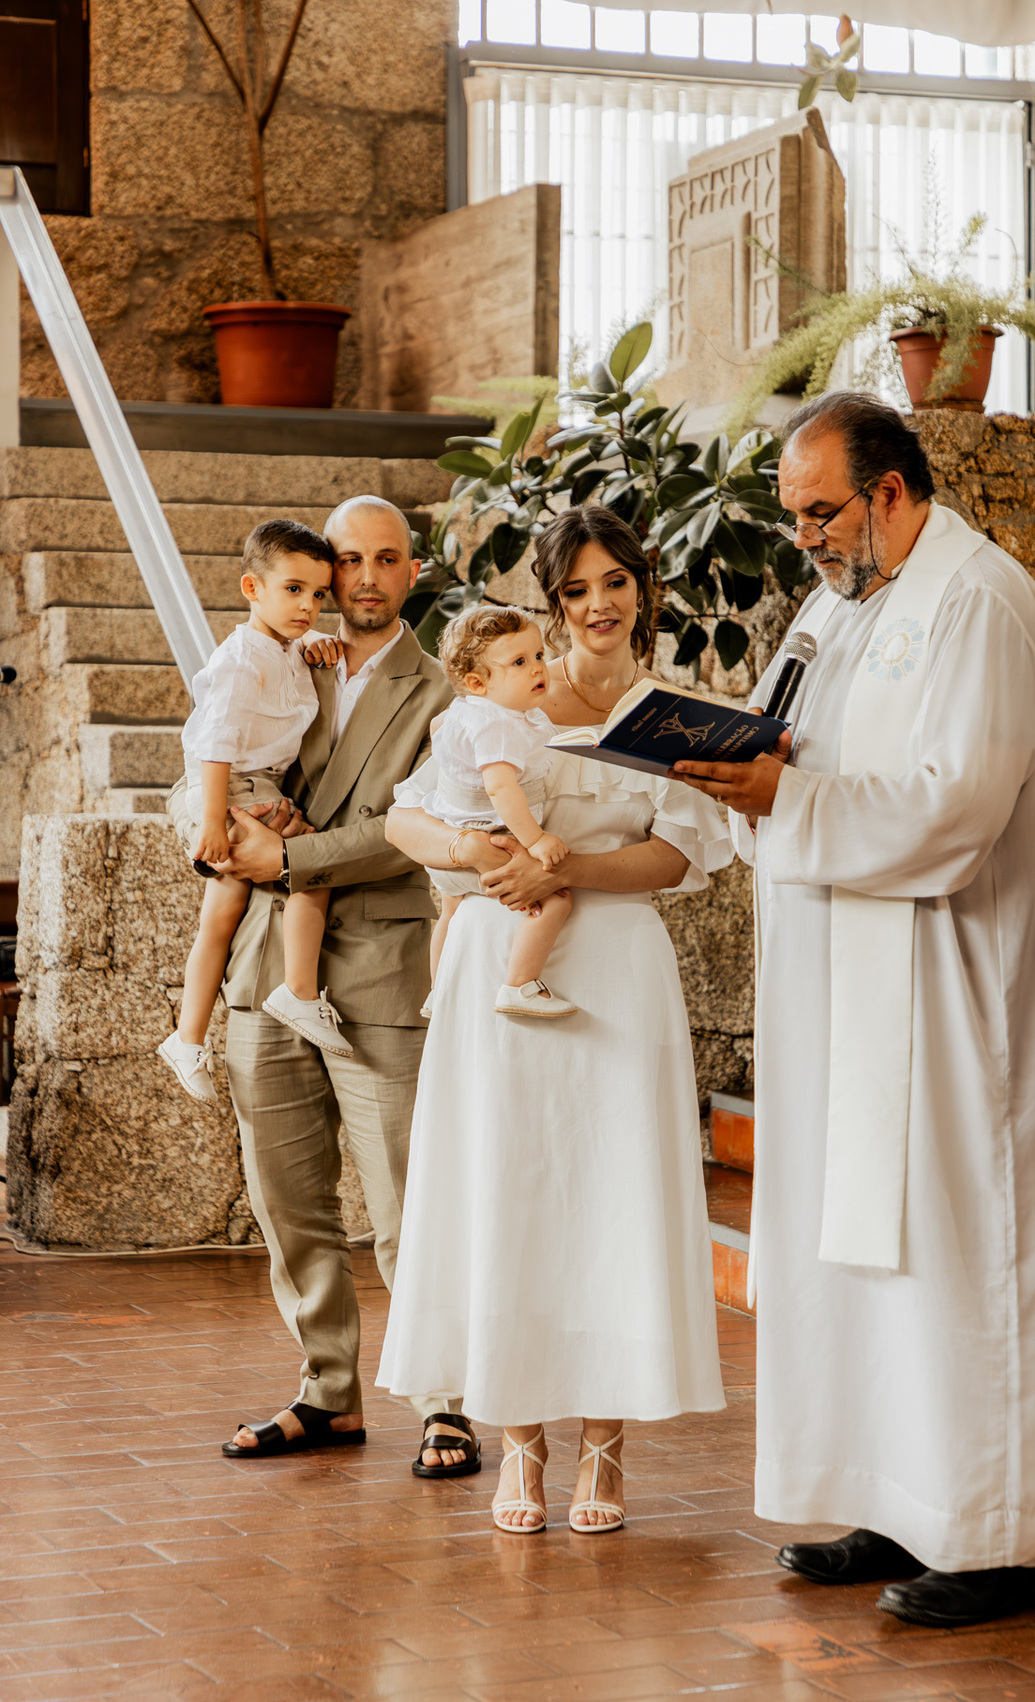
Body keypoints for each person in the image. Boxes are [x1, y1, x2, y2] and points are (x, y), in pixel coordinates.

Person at [675, 393, 1035, 1629]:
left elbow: (957, 803)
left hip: (957, 994)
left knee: (959, 1260)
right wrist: (734, 771)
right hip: (842, 991)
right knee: (862, 1257)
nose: (803, 537)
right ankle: (897, 1502)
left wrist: (783, 797)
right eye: (792, 516)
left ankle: (995, 1540)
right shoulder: (833, 607)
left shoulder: (979, 602)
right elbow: (786, 752)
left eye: (820, 513)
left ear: (891, 492)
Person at [376, 504, 729, 1535]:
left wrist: (563, 871)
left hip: (614, 967)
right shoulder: (504, 696)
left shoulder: (671, 713)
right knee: (509, 1189)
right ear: (552, 602)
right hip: (499, 957)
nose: (597, 605)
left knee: (613, 1197)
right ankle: (522, 1444)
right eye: (575, 590)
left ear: (643, 588)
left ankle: (606, 1449)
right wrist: (472, 855)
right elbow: (405, 815)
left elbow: (678, 854)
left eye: (614, 582)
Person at [166, 495, 480, 1477]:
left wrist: (288, 859)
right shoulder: (277, 656)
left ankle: (445, 1402)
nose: (366, 578)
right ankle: (327, 1392)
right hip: (264, 972)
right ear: (325, 568)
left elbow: (416, 828)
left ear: (415, 572)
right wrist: (216, 832)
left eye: (388, 559)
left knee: (407, 1205)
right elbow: (200, 766)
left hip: (382, 975)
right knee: (290, 1206)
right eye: (350, 559)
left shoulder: (444, 693)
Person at [160, 519, 352, 1104]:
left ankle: (187, 1038)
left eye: (319, 594)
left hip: (258, 784)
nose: (308, 605)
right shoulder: (241, 659)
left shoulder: (290, 648)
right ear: (252, 588)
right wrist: (212, 821)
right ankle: (297, 992)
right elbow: (215, 743)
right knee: (310, 867)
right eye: (293, 589)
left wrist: (317, 645)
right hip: (232, 786)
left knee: (222, 915)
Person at [422, 604, 574, 1021]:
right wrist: (535, 840)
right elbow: (501, 788)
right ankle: (520, 984)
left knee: (450, 912)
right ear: (477, 682)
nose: (538, 668)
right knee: (556, 901)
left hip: (450, 841)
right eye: (519, 662)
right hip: (490, 839)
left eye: (539, 655)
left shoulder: (467, 709)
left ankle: (437, 992)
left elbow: (439, 733)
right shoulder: (499, 724)